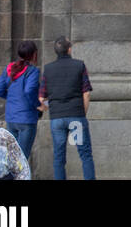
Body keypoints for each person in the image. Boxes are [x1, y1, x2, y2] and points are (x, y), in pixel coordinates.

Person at [40, 36, 95, 180]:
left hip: (57, 118)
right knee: (85, 155)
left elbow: (42, 97)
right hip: (76, 116)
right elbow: (86, 93)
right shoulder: (79, 65)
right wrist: (82, 113)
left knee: (59, 157)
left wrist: (48, 107)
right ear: (69, 49)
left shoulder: (48, 69)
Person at [0, 39, 41, 161]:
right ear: (34, 54)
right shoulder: (33, 71)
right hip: (26, 119)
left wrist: (12, 99)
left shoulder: (9, 68)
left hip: (11, 119)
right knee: (22, 160)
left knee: (13, 158)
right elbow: (29, 91)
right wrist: (37, 105)